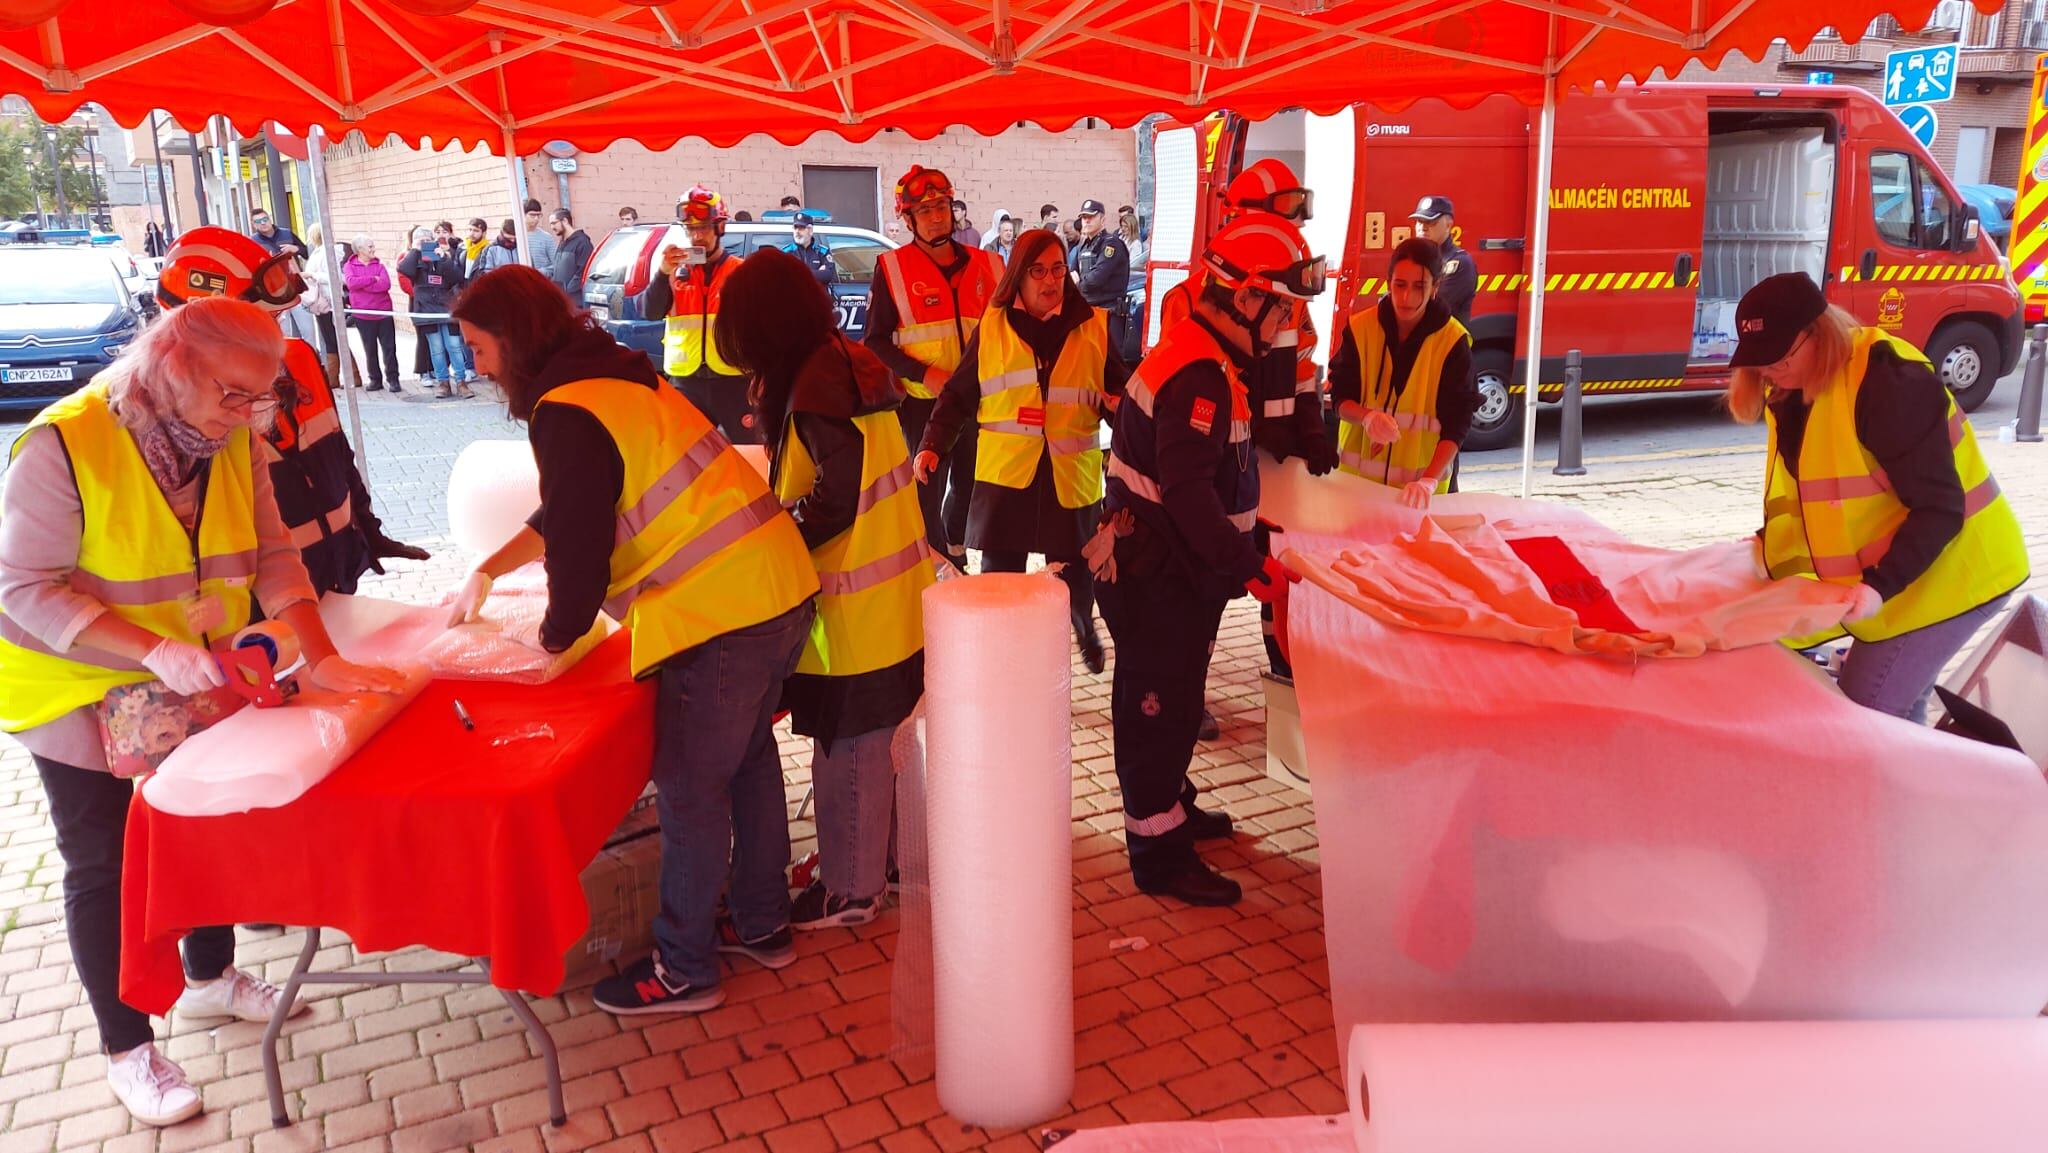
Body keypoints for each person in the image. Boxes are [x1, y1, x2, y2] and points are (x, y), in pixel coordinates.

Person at [0, 297, 408, 1126]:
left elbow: (271, 551)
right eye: (234, 395)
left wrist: (323, 658)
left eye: (259, 399)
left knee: (206, 823)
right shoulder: (62, 443)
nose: (248, 416)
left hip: (189, 680)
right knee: (107, 865)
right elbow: (19, 586)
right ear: (176, 364)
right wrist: (148, 650)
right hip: (77, 688)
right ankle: (127, 1048)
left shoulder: (231, 437)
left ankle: (212, 979)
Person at [448, 265, 818, 1013]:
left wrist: (548, 642)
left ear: (512, 342)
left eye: (479, 348)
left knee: (689, 789)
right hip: (777, 586)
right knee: (746, 762)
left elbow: (578, 554)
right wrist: (486, 570)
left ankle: (682, 967)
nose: (476, 366)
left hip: (721, 614)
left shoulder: (567, 407)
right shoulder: (616, 376)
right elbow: (571, 507)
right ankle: (762, 924)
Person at [1086, 214, 1325, 906]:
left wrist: (1248, 538)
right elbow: (1189, 493)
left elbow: (1206, 478)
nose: (1286, 324)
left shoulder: (1204, 355)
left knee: (1177, 699)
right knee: (1156, 708)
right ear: (1246, 298)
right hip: (1161, 576)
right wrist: (1247, 561)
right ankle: (1158, 849)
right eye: (1281, 307)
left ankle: (1174, 804)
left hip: (1168, 569)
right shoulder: (1198, 374)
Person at [715, 248, 932, 929]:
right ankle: (885, 865)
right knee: (878, 749)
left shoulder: (815, 388)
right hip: (895, 600)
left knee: (852, 757)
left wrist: (769, 536)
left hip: (854, 613)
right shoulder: (844, 362)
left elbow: (832, 500)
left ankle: (852, 889)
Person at [1726, 272, 2029, 721]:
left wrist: (1878, 587)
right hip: (1908, 578)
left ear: (1817, 334)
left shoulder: (1887, 381)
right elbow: (1813, 495)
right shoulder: (1793, 391)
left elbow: (1941, 508)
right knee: (1896, 716)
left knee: (1866, 711)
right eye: (1757, 361)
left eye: (1778, 357)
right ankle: (1918, 789)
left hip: (1959, 572)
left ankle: (1916, 788)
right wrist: (1764, 542)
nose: (1768, 371)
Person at [155, 227, 428, 594]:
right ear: (205, 324)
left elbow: (338, 453)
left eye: (276, 319)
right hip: (262, 597)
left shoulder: (300, 357)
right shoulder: (177, 411)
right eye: (262, 321)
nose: (274, 332)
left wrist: (367, 530)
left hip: (336, 567)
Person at [915, 228, 1125, 673]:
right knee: (999, 576)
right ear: (1018, 278)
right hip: (1007, 475)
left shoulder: (1094, 326)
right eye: (1038, 272)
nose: (1050, 281)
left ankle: (1082, 627)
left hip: (1070, 474)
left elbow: (1119, 395)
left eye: (1057, 270)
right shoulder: (992, 327)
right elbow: (957, 395)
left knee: (1075, 573)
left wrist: (1121, 412)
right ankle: (1000, 660)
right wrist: (933, 444)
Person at [865, 165, 1005, 567]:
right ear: (908, 219)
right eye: (924, 211)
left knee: (969, 480)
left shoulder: (990, 265)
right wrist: (927, 374)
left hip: (979, 400)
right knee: (927, 485)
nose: (936, 217)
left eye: (941, 206)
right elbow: (875, 341)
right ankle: (934, 564)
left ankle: (955, 554)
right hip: (923, 402)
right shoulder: (891, 269)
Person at [1329, 236, 1479, 510]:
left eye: (1419, 286)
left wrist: (1429, 481)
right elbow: (1339, 397)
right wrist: (1367, 417)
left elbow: (1457, 422)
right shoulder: (1360, 328)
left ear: (1435, 287)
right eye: (1399, 285)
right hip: (1356, 494)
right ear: (1388, 282)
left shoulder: (1453, 342)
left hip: (1420, 498)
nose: (1407, 297)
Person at [641, 185, 754, 442]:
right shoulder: (674, 273)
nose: (697, 236)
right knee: (684, 460)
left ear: (720, 228)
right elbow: (651, 312)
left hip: (734, 382)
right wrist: (662, 272)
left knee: (750, 455)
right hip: (686, 382)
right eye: (691, 229)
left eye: (703, 228)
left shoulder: (741, 272)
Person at [397, 225, 472, 399]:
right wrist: (415, 251)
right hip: (426, 309)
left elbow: (456, 277)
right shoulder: (412, 258)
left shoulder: (442, 257)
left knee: (454, 346)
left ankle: (461, 382)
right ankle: (443, 383)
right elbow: (404, 271)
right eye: (421, 241)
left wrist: (443, 259)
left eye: (427, 241)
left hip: (446, 307)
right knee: (436, 348)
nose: (425, 245)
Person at [344, 235, 403, 393]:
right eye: (370, 246)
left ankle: (393, 379)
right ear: (360, 250)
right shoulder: (350, 266)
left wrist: (363, 284)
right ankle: (375, 380)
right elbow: (351, 283)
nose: (373, 249)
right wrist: (372, 279)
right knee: (370, 349)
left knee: (389, 348)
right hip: (363, 314)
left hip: (383, 313)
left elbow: (385, 285)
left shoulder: (380, 265)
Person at [1070, 199, 1130, 351]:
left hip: (1109, 314)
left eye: (1091, 216)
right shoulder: (1082, 246)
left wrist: (1078, 284)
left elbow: (1097, 278)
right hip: (1089, 313)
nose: (1086, 220)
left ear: (1102, 220)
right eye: (1084, 217)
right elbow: (1071, 274)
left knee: (1110, 364)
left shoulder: (1111, 244)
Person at [1410, 195, 1476, 326]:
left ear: (1448, 225)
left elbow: (1432, 308)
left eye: (1431, 222)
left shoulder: (1459, 263)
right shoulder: (1415, 260)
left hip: (1446, 344)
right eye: (1419, 221)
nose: (1423, 227)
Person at [547, 208, 594, 301]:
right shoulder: (562, 242)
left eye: (554, 223)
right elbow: (557, 268)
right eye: (550, 224)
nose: (552, 227)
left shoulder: (582, 242)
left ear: (565, 221)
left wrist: (566, 292)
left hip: (575, 302)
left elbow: (582, 273)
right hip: (562, 300)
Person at [784, 212, 835, 285]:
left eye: (801, 228)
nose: (797, 232)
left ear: (810, 230)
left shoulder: (822, 252)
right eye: (795, 228)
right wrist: (817, 273)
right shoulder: (786, 252)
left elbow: (828, 275)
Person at [521, 198, 558, 276]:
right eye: (532, 215)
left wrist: (540, 272)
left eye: (538, 215)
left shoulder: (546, 238)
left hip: (541, 281)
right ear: (523, 214)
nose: (536, 219)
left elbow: (557, 264)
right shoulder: (516, 237)